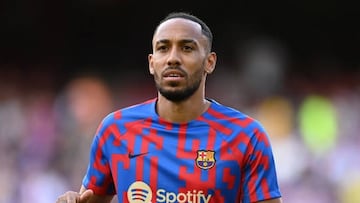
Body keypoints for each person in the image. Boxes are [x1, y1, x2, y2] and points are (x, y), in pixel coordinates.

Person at [56, 11, 282, 203]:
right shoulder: (116, 130)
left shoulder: (246, 136)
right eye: (163, 48)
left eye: (187, 48)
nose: (173, 58)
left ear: (210, 62)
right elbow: (90, 200)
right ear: (152, 63)